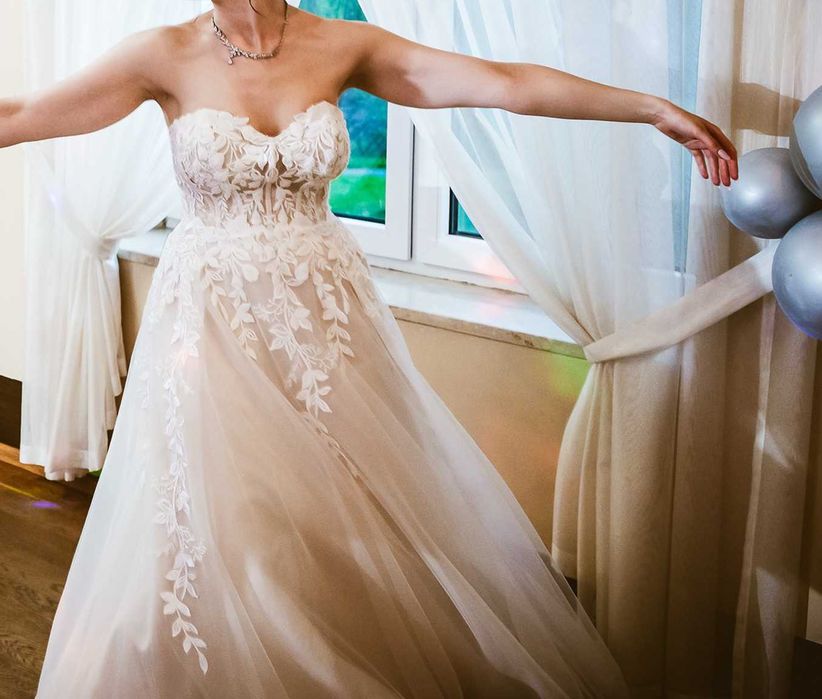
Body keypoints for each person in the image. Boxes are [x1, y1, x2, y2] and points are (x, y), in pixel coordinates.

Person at [6, 1, 737, 696]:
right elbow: (24, 114)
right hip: (212, 326)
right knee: (235, 517)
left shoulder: (341, 43)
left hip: (329, 329)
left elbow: (505, 83)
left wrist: (651, 109)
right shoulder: (162, 53)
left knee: (345, 513)